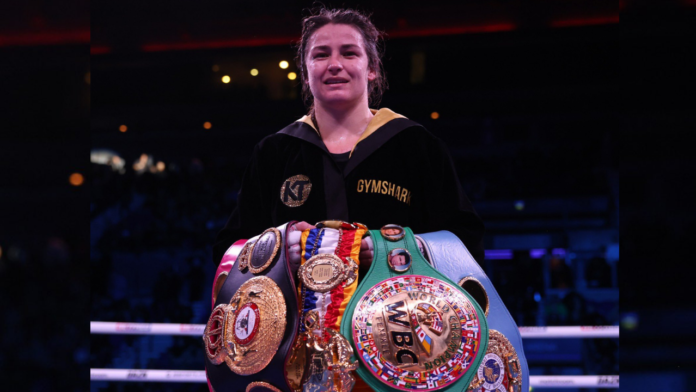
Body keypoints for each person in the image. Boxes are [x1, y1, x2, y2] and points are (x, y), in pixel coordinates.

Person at [213, 7, 485, 269]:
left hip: (398, 313)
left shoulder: (417, 145)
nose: (334, 64)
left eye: (349, 53)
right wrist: (278, 247)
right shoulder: (273, 152)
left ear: (372, 68)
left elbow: (466, 242)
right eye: (321, 55)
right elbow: (227, 251)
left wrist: (396, 249)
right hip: (296, 315)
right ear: (306, 74)